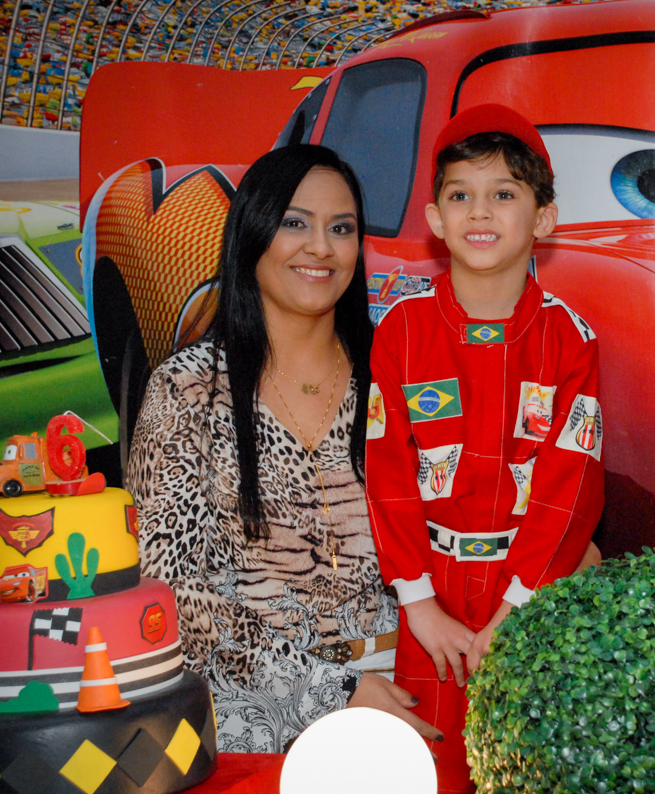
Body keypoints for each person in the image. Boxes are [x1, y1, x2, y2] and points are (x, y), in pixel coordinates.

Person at [128, 144, 440, 753]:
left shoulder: (399, 383)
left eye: (341, 228)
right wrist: (334, 690)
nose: (320, 247)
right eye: (295, 223)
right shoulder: (185, 389)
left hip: (413, 708)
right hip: (256, 731)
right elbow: (168, 591)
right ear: (252, 233)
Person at [365, 105, 606, 794]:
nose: (481, 211)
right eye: (460, 194)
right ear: (435, 218)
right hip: (432, 598)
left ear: (544, 217)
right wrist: (418, 604)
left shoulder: (570, 339)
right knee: (429, 767)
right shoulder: (402, 331)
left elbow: (571, 485)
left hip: (530, 598)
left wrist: (514, 610)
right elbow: (386, 474)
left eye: (504, 193)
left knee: (534, 765)